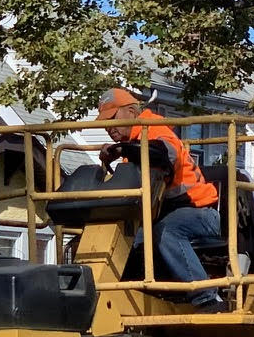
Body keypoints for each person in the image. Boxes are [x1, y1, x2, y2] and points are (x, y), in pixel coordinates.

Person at [94, 88, 223, 297]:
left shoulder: (154, 129)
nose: (109, 127)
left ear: (132, 111)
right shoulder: (132, 145)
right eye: (105, 122)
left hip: (200, 212)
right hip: (165, 214)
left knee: (166, 231)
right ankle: (131, 294)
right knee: (128, 238)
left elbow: (164, 155)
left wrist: (122, 150)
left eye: (112, 118)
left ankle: (206, 295)